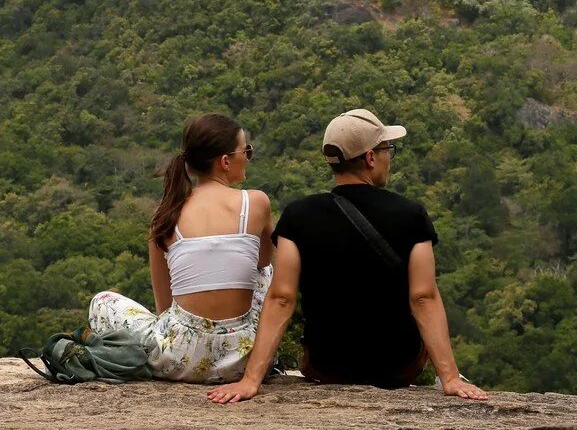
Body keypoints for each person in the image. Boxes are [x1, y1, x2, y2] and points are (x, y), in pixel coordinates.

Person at [207, 109, 488, 403]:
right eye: (386, 149)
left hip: (325, 367)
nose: (388, 157)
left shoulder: (298, 216)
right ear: (369, 158)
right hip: (399, 369)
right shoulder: (411, 215)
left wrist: (251, 380)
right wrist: (451, 378)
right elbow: (424, 298)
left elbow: (281, 298)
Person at [88, 113, 274, 383]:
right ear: (225, 162)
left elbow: (164, 309)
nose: (248, 156)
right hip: (241, 359)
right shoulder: (256, 203)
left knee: (101, 302)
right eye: (246, 150)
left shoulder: (166, 216)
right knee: (265, 271)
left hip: (176, 359)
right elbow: (264, 262)